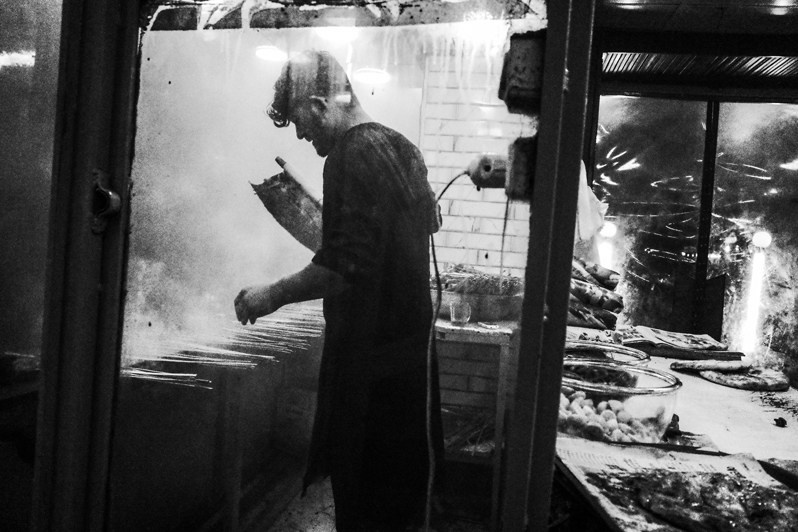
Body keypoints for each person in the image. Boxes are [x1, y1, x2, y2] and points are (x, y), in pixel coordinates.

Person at [234, 50, 444, 531]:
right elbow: (416, 227)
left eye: (300, 121)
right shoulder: (402, 147)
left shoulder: (350, 154)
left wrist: (272, 294)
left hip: (372, 379)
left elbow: (346, 267)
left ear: (320, 102)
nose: (301, 134)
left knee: (365, 511)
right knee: (402, 511)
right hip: (411, 372)